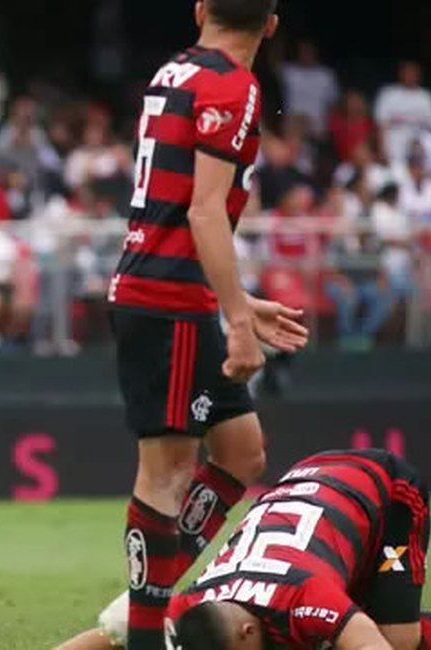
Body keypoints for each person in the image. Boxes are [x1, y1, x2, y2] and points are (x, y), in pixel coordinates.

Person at [103, 1, 308, 647]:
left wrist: (237, 301)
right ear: (271, 24)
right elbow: (203, 212)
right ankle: (143, 630)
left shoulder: (175, 73)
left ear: (200, 10)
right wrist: (238, 321)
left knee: (242, 453)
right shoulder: (232, 85)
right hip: (167, 299)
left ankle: (151, 593)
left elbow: (182, 210)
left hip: (174, 292)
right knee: (164, 475)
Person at [57, 449, 431, 650]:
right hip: (312, 496)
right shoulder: (196, 604)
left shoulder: (306, 596)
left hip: (387, 493)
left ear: (243, 634)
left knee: (397, 640)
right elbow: (113, 636)